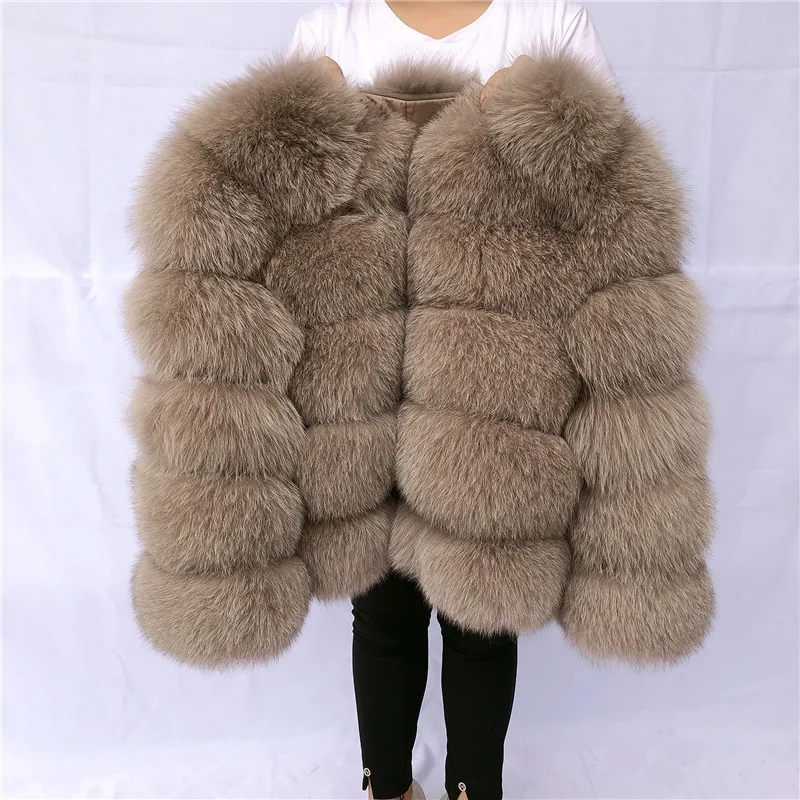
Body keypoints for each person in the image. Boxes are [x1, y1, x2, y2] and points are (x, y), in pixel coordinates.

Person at [283, 4, 617, 800]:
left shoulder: (547, 16)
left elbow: (606, 184)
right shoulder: (334, 23)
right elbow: (276, 204)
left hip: (492, 364)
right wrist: (300, 115)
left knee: (481, 606)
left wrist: (542, 107)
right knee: (383, 606)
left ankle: (475, 788)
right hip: (360, 367)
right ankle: (388, 786)